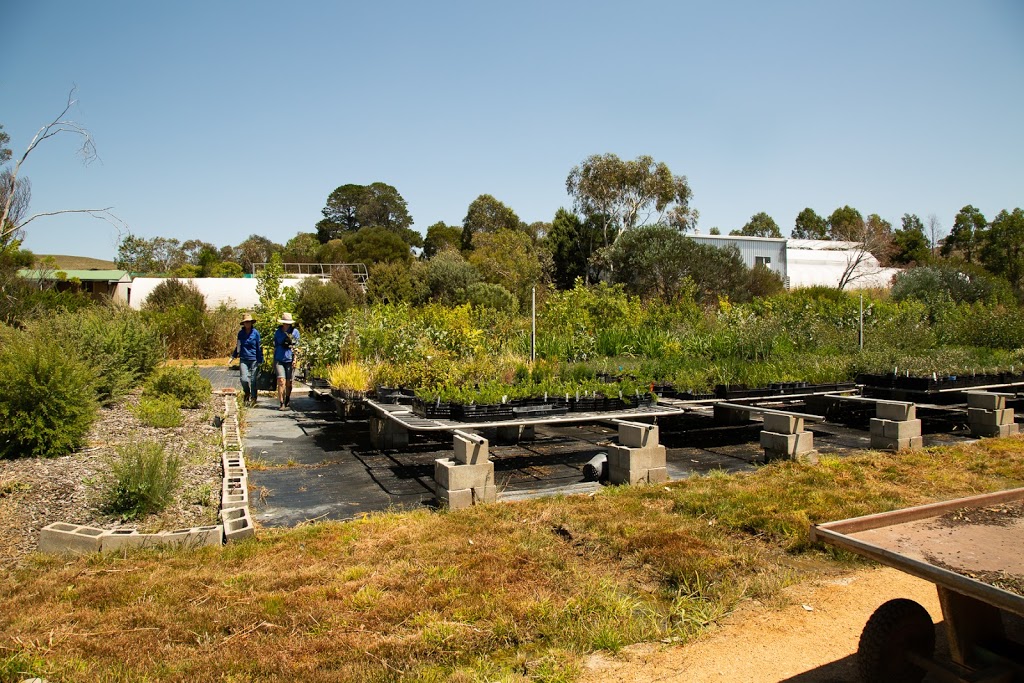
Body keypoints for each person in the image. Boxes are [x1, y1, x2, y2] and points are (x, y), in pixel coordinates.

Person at [231, 312, 263, 407]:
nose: (247, 324)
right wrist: (233, 355)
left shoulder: (256, 333)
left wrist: (260, 359)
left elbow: (259, 347)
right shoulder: (241, 334)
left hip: (254, 359)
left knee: (253, 380)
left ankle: (253, 398)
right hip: (244, 359)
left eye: (249, 322)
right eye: (246, 322)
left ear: (251, 323)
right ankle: (247, 392)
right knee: (244, 379)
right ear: (243, 323)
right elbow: (238, 346)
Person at [274, 312, 300, 410]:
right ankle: (281, 403)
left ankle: (287, 399)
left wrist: (295, 359)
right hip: (279, 359)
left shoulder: (295, 332)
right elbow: (275, 346)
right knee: (281, 381)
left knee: (289, 382)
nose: (286, 324)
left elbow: (297, 347)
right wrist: (273, 360)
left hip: (290, 359)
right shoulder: (278, 332)